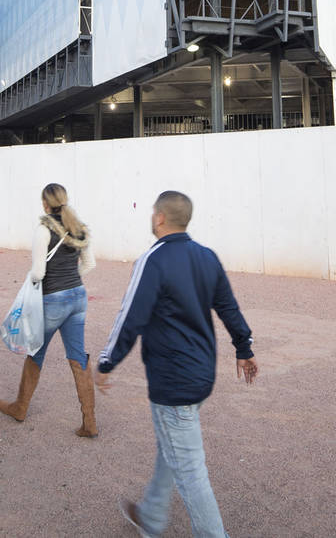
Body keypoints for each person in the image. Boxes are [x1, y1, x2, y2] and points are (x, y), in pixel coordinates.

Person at [95, 190, 258, 538]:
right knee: (172, 445)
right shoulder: (207, 256)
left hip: (173, 382)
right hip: (201, 375)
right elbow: (228, 306)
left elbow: (131, 317)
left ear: (159, 218)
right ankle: (151, 516)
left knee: (191, 472)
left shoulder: (153, 260)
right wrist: (244, 347)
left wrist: (106, 362)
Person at [0, 182, 98, 437]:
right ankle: (89, 422)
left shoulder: (43, 230)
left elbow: (38, 272)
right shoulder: (80, 228)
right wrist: (71, 280)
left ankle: (20, 408)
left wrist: (38, 283)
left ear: (45, 203)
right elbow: (90, 264)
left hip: (53, 299)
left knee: (36, 351)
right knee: (77, 355)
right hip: (78, 296)